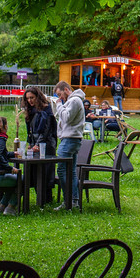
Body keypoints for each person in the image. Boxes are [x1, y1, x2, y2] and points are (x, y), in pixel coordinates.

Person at [21, 86, 57, 204]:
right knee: (34, 171)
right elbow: (30, 131)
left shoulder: (46, 110)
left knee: (45, 172)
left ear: (38, 97)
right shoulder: (31, 111)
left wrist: (37, 144)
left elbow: (45, 131)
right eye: (28, 99)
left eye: (32, 97)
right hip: (36, 143)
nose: (30, 101)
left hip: (46, 145)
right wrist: (31, 144)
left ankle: (46, 199)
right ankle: (40, 198)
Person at [54, 80, 85, 210]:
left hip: (70, 139)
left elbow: (66, 117)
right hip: (70, 138)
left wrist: (59, 105)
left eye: (60, 94)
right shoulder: (72, 101)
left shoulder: (74, 101)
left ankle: (69, 200)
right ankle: (73, 200)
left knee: (61, 170)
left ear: (66, 90)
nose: (60, 97)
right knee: (70, 171)